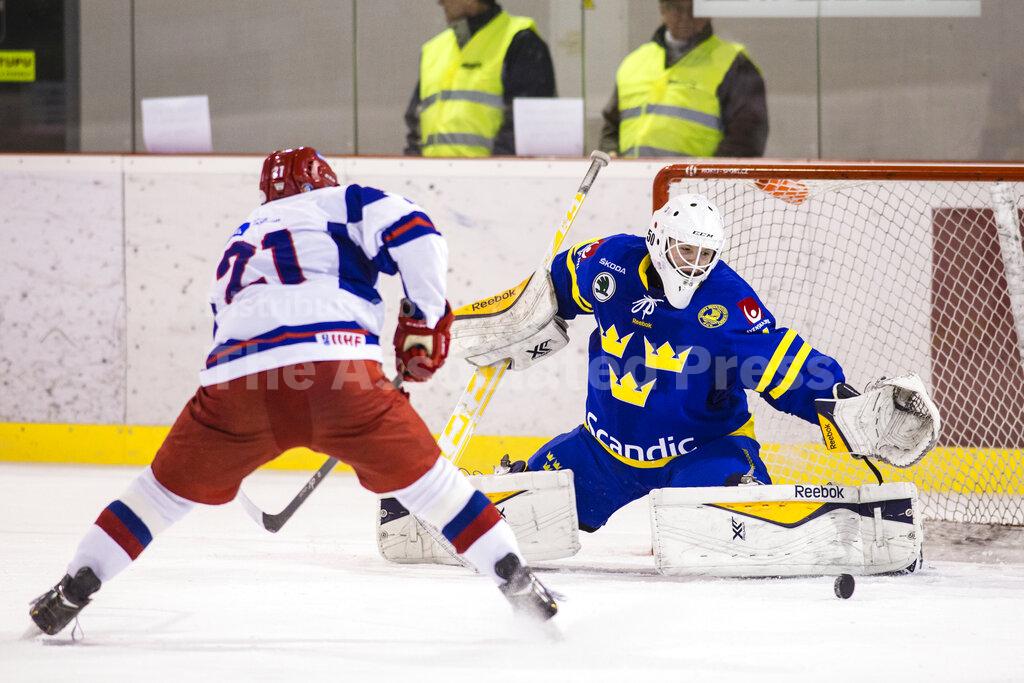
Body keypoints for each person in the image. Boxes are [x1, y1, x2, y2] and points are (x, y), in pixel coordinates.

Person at [27, 147, 557, 637]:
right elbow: (417, 231)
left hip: (237, 385)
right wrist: (423, 318)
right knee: (434, 490)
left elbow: (230, 327)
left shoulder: (240, 238)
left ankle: (75, 584)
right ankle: (516, 580)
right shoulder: (339, 202)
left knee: (158, 497)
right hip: (338, 374)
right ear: (322, 181)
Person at [508, 194, 845, 532]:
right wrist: (519, 320)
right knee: (521, 510)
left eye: (705, 254)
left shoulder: (726, 300)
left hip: (702, 452)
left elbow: (781, 364)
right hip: (604, 452)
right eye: (686, 250)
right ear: (657, 238)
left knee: (733, 519)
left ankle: (739, 487)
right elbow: (556, 288)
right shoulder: (611, 262)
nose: (694, 264)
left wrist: (843, 403)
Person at [599, 0, 767, 158]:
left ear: (708, 12)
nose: (685, 17)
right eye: (676, 8)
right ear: (662, 10)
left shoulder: (733, 63)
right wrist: (613, 161)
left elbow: (747, 137)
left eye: (694, 8)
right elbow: (611, 129)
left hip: (697, 186)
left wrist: (709, 180)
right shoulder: (635, 62)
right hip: (632, 182)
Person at [404, 0, 556, 157]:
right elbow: (416, 127)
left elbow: (526, 128)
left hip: (493, 178)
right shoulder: (434, 50)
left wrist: (489, 174)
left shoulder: (520, 41)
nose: (440, 2)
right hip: (429, 178)